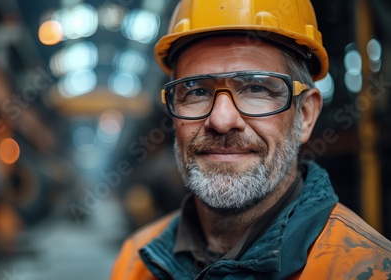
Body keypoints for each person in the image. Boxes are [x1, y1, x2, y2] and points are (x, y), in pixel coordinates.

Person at [111, 0, 391, 279]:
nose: (221, 121)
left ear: (305, 115)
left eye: (256, 88)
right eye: (196, 92)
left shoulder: (366, 269)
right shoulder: (135, 262)